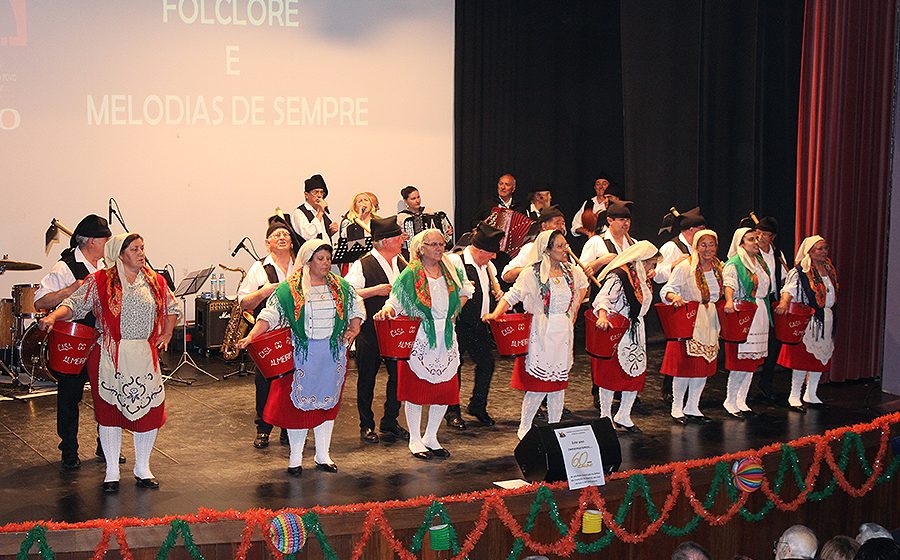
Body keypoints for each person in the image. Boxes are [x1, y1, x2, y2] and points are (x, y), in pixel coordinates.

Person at [38, 233, 179, 493]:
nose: (141, 253)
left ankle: (143, 467)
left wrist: (167, 333)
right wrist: (53, 318)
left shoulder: (155, 281)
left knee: (149, 412)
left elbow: (172, 307)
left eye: (142, 248)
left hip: (144, 355)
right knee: (110, 413)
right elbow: (73, 305)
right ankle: (112, 470)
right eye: (135, 249)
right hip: (110, 353)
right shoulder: (100, 280)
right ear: (120, 253)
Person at [237, 239, 363, 476]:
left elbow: (356, 305)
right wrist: (251, 337)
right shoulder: (290, 289)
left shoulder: (340, 286)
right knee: (299, 409)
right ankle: (295, 458)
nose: (326, 264)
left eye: (328, 258)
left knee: (328, 404)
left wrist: (354, 327)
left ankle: (323, 455)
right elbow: (269, 315)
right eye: (320, 259)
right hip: (303, 355)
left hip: (332, 354)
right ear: (307, 261)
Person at [374, 229, 473, 460]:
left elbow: (466, 290)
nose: (439, 248)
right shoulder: (410, 274)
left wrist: (453, 310)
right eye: (433, 244)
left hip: (445, 336)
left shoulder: (451, 269)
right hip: (419, 335)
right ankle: (415, 440)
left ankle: (431, 436)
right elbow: (395, 301)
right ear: (421, 248)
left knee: (443, 390)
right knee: (416, 390)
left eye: (441, 244)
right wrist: (387, 310)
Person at [483, 230, 589, 440]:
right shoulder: (532, 273)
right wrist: (496, 314)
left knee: (558, 385)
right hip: (541, 332)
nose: (565, 249)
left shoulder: (571, 271)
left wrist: (574, 308)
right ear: (546, 250)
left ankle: (554, 428)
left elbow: (583, 285)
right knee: (538, 385)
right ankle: (525, 427)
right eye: (560, 246)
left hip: (563, 332)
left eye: (565, 244)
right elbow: (513, 295)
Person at [33, 214, 115, 470]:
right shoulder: (65, 267)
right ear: (90, 241)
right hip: (75, 342)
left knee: (107, 393)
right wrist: (70, 290)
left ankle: (107, 445)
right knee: (70, 396)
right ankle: (69, 448)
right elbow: (39, 301)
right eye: (105, 239)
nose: (108, 243)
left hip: (103, 341)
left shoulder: (107, 266)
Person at [344, 216, 409, 444]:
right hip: (370, 329)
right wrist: (375, 291)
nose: (402, 239)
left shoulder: (401, 262)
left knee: (399, 376)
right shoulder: (363, 264)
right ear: (383, 241)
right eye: (397, 236)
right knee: (367, 378)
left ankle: (390, 420)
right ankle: (366, 424)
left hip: (396, 330)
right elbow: (347, 292)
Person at [237, 217, 296, 449]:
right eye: (276, 236)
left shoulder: (299, 266)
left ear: (291, 242)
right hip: (267, 333)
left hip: (295, 333)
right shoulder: (259, 268)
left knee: (293, 380)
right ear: (267, 243)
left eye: (286, 235)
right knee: (266, 382)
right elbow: (243, 302)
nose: (282, 238)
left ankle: (288, 427)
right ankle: (263, 428)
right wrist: (263, 293)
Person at [591, 241, 659, 433]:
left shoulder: (641, 278)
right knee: (611, 374)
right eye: (650, 264)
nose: (651, 268)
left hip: (636, 329)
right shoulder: (619, 276)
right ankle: (605, 416)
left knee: (634, 372)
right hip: (618, 329)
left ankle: (624, 414)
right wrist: (603, 316)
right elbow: (602, 298)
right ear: (639, 261)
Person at [445, 222, 505, 429]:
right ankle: (452, 410)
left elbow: (490, 285)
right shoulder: (456, 261)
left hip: (479, 324)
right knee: (455, 366)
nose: (494, 257)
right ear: (479, 250)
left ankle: (477, 405)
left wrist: (496, 294)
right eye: (491, 253)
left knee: (487, 364)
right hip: (458, 323)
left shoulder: (488, 265)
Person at [660, 229, 722, 425]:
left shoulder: (718, 268)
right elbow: (667, 289)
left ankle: (693, 406)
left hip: (710, 319)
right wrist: (675, 297)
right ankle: (677, 407)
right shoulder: (685, 267)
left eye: (711, 244)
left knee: (703, 365)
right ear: (695, 246)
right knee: (685, 365)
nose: (708, 249)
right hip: (690, 318)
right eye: (703, 245)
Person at [775, 235, 837, 411]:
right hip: (808, 319)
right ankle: (794, 395)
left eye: (825, 248)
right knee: (801, 358)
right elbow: (789, 289)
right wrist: (784, 303)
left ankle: (811, 392)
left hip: (826, 318)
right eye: (820, 248)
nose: (824, 252)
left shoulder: (829, 269)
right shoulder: (800, 271)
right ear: (809, 251)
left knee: (820, 357)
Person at [655, 207, 707, 403]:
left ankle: (689, 391)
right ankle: (669, 389)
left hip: (695, 304)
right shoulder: (671, 247)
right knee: (676, 347)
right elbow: (657, 274)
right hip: (675, 302)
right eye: (701, 229)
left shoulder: (698, 249)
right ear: (692, 230)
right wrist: (675, 264)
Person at [721, 227, 771, 418]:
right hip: (743, 311)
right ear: (741, 243)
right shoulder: (734, 263)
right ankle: (730, 400)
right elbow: (729, 284)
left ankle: (742, 400)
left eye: (757, 239)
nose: (756, 242)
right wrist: (729, 301)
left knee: (752, 361)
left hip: (760, 312)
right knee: (739, 359)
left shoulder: (759, 261)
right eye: (751, 239)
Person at [741, 216, 789, 403]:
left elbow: (785, 278)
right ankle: (747, 389)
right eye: (757, 233)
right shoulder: (750, 254)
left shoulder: (778, 255)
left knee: (772, 345)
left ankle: (766, 384)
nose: (760, 238)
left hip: (773, 302)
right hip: (755, 301)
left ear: (773, 237)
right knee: (752, 345)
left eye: (765, 234)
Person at [501, 206, 567, 283]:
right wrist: (532, 270)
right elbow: (506, 275)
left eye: (563, 223)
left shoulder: (566, 248)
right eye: (557, 223)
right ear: (544, 226)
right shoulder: (531, 248)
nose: (561, 227)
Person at [580, 200, 636, 276]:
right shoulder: (596, 242)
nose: (626, 223)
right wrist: (600, 262)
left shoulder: (634, 244)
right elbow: (580, 273)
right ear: (610, 220)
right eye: (622, 220)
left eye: (628, 220)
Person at [398, 185, 454, 251]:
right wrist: (401, 237)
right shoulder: (402, 217)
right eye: (413, 198)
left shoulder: (429, 211)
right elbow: (397, 238)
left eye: (418, 197)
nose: (417, 201)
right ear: (405, 201)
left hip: (432, 250)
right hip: (412, 252)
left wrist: (447, 231)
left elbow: (440, 230)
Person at [291, 174, 339, 246]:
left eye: (321, 192)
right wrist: (320, 213)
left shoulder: (321, 212)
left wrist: (330, 232)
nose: (319, 195)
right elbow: (307, 235)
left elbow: (321, 235)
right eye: (315, 192)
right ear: (306, 195)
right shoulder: (299, 212)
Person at [334, 192, 376, 273]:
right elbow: (347, 241)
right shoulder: (349, 223)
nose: (363, 203)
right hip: (355, 263)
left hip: (373, 261)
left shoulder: (376, 222)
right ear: (355, 207)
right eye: (360, 201)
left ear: (371, 205)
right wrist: (359, 217)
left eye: (366, 200)